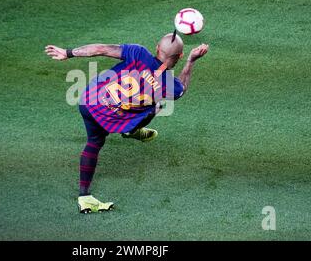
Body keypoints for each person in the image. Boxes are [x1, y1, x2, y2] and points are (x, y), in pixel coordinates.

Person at [45, 33, 209, 213]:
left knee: (94, 142)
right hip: (111, 118)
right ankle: (131, 131)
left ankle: (84, 195)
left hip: (89, 101)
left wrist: (67, 53)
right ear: (180, 56)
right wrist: (191, 61)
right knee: (157, 106)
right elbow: (183, 88)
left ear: (156, 48)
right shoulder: (171, 85)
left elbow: (100, 49)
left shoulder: (138, 52)